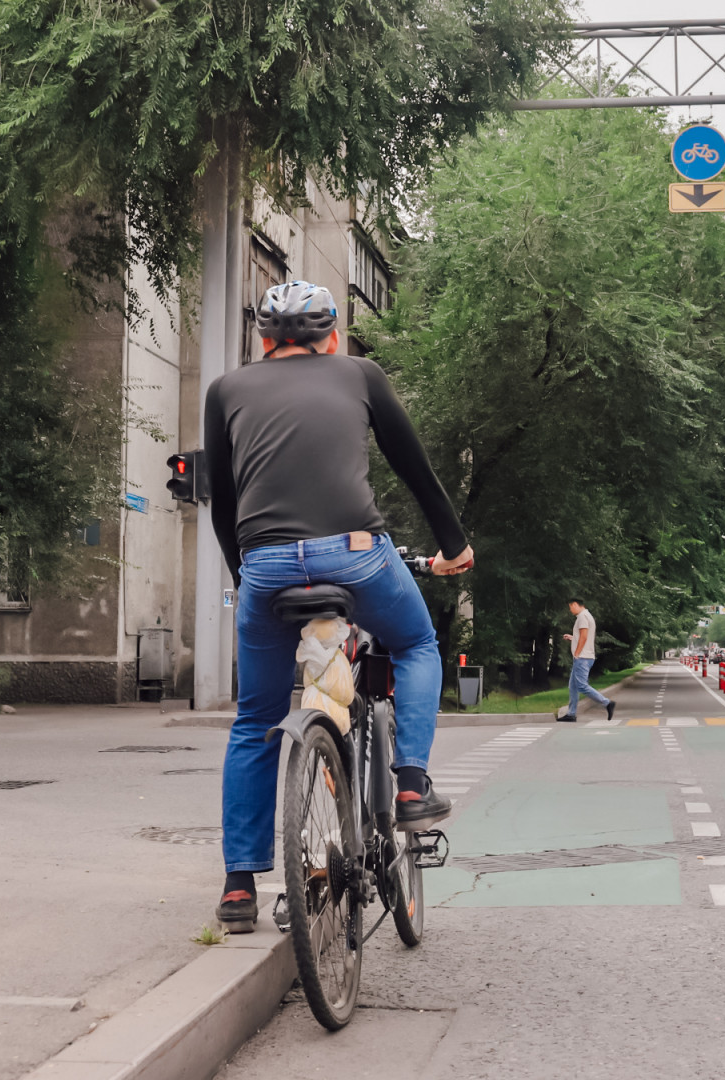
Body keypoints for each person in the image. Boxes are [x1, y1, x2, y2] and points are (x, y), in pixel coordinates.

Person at [203, 281, 475, 933]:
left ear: (263, 340)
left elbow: (221, 501)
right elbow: (414, 468)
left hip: (266, 566)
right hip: (356, 555)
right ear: (331, 337)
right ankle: (410, 784)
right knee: (415, 645)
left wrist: (250, 578)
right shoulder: (361, 374)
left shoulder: (226, 391)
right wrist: (454, 546)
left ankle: (239, 888)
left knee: (255, 720)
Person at [560, 599, 614, 723]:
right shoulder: (587, 616)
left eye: (570, 607)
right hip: (585, 657)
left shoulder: (582, 617)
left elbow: (584, 636)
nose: (570, 610)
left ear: (575, 604)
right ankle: (571, 714)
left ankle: (607, 703)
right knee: (573, 686)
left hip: (582, 658)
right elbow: (583, 636)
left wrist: (577, 653)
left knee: (581, 686)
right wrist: (572, 638)